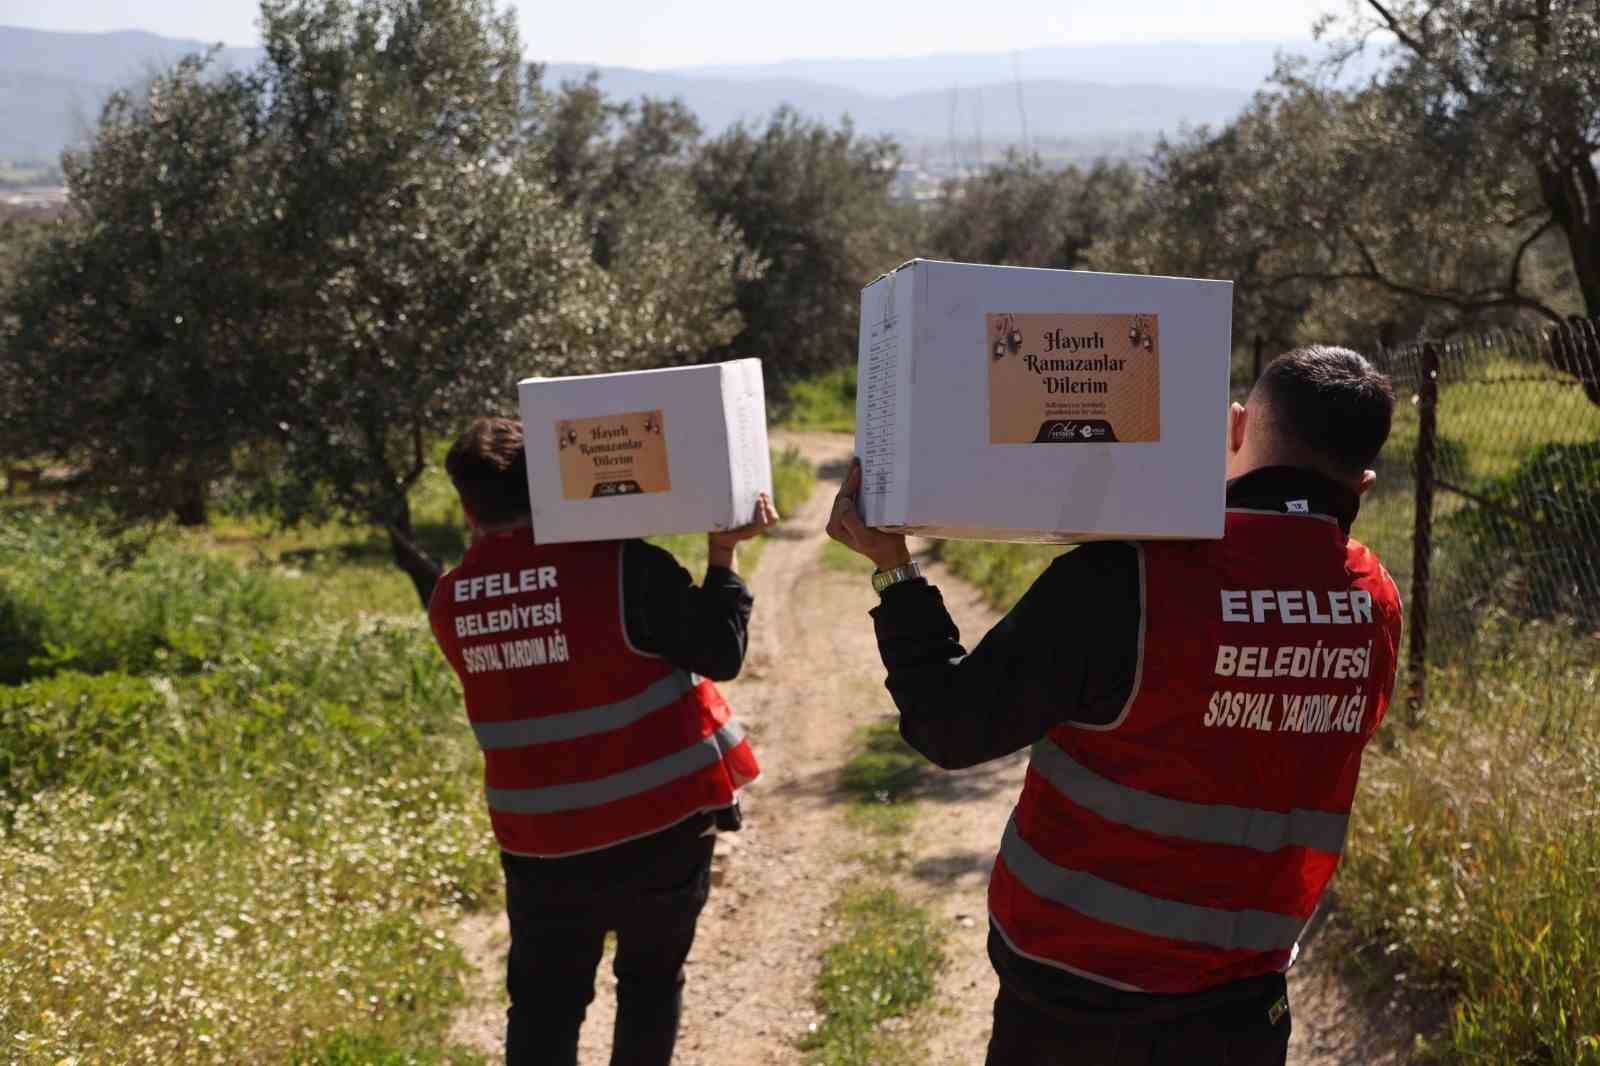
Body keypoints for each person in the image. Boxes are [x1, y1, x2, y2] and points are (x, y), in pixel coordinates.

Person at [826, 346, 1403, 1065]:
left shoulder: (1129, 576)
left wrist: (895, 569)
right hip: (1242, 998)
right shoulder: (1375, 602)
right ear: (1365, 481)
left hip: (1073, 989)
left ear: (1233, 429)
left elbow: (950, 724)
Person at [427, 416, 776, 1066]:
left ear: (467, 505)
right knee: (648, 987)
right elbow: (720, 652)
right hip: (661, 830)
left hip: (540, 847)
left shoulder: (449, 600)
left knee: (544, 1007)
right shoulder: (624, 566)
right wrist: (722, 556)